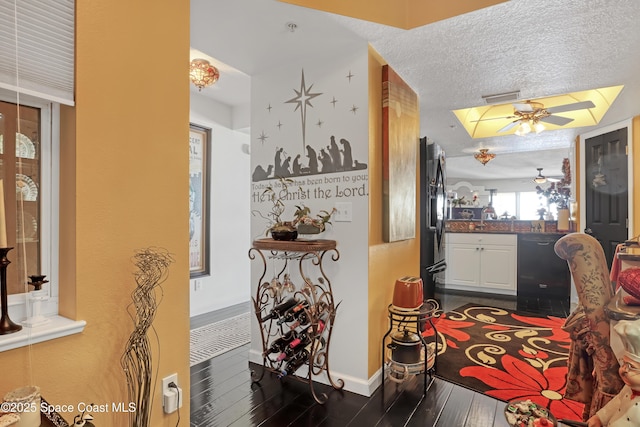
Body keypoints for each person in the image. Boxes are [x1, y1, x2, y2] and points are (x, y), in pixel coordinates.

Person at [588, 318, 640, 426]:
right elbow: (617, 402)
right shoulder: (629, 388)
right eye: (624, 364)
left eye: (631, 367)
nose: (623, 370)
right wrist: (600, 417)